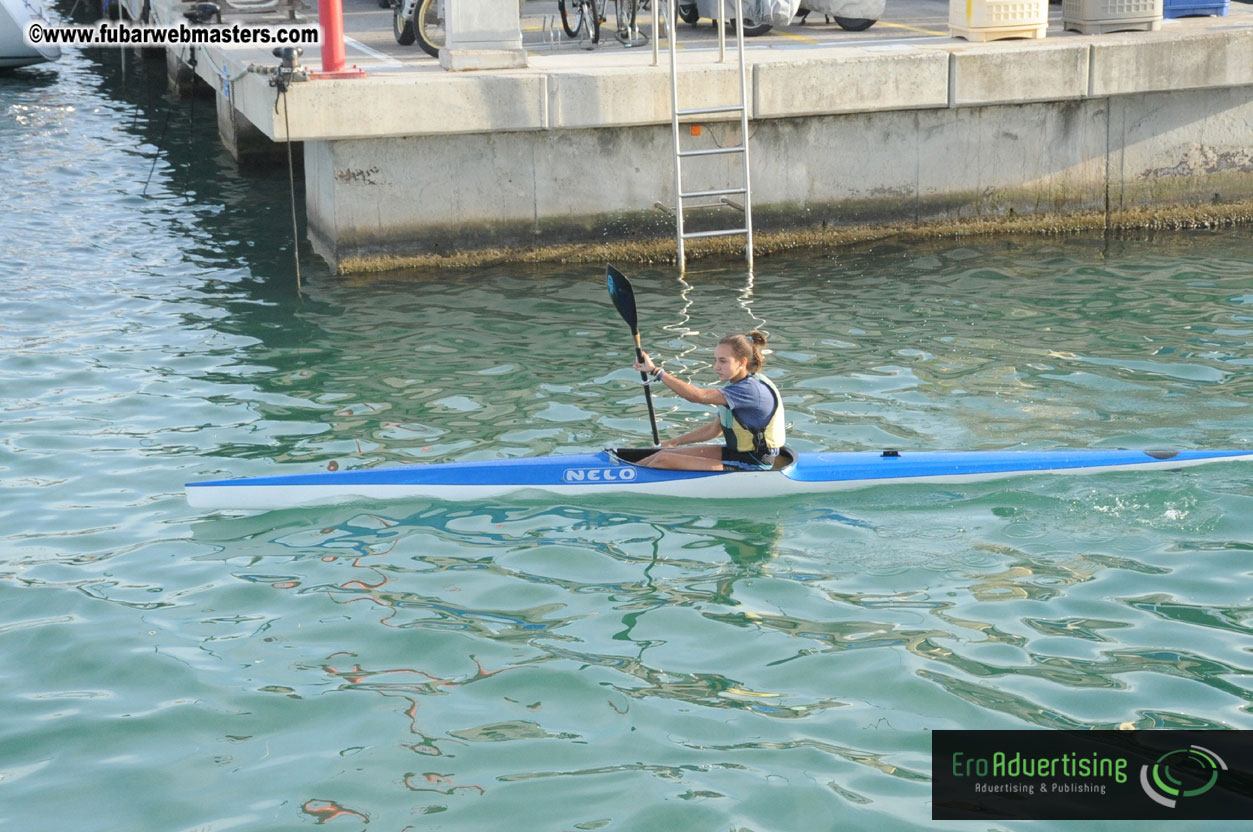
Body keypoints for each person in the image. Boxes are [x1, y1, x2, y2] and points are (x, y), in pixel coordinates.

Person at [632, 330, 785, 471]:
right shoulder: (735, 385)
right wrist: (674, 442)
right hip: (736, 454)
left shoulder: (749, 390)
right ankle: (627, 471)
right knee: (662, 454)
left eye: (723, 361)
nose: (716, 367)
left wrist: (657, 372)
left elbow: (698, 396)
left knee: (663, 460)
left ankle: (628, 478)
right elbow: (714, 430)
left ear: (742, 362)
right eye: (716, 360)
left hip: (753, 463)